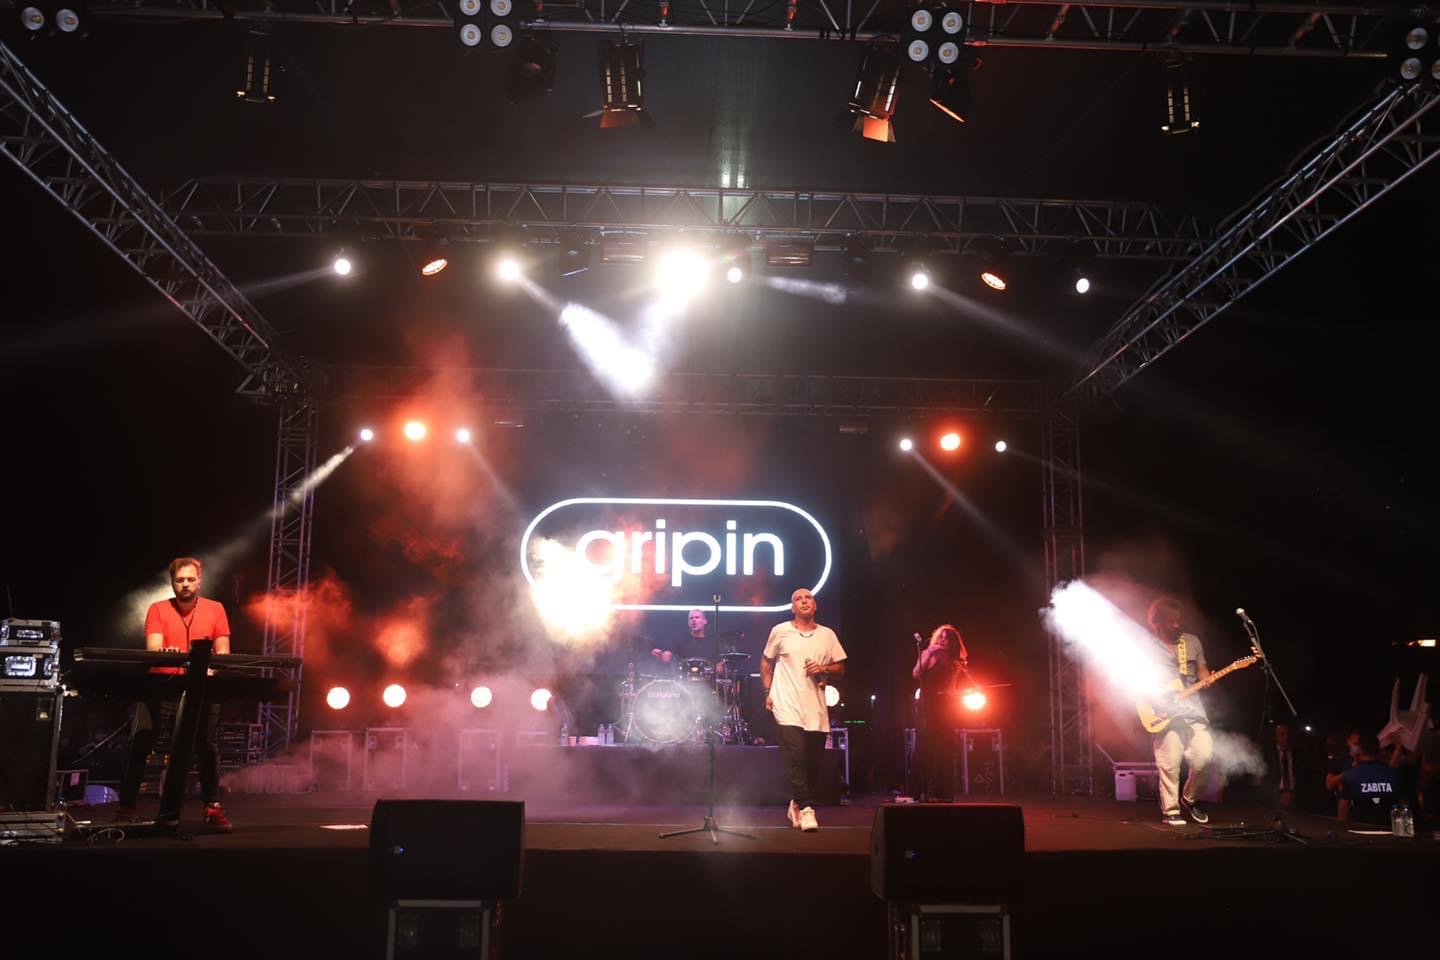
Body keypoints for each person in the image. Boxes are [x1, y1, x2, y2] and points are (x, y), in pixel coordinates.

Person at [117, 557, 234, 831]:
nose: (185, 585)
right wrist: (166, 655)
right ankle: (126, 808)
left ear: (199, 581)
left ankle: (212, 806)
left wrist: (212, 668)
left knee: (207, 746)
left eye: (190, 579)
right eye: (180, 580)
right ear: (172, 583)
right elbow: (154, 648)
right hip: (161, 684)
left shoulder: (216, 609)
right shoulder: (158, 608)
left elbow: (224, 651)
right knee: (141, 741)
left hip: (201, 687)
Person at [761, 587, 846, 832]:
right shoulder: (780, 631)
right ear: (793, 608)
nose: (804, 601)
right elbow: (766, 661)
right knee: (796, 755)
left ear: (815, 605)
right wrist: (768, 692)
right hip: (786, 701)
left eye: (808, 597)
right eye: (798, 599)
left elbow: (841, 668)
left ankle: (796, 804)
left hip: (815, 706)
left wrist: (823, 668)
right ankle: (808, 809)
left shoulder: (827, 635)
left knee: (813, 761)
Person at [1145, 597, 1214, 826]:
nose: (1176, 625)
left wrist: (1208, 679)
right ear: (1157, 622)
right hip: (1163, 711)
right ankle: (1170, 810)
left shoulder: (1192, 642)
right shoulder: (1146, 646)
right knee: (1170, 764)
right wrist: (1154, 701)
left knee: (1204, 756)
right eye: (1170, 621)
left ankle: (1190, 798)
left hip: (1194, 710)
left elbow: (1202, 669)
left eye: (1178, 619)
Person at [911, 625, 969, 801]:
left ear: (953, 642)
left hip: (945, 705)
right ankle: (920, 790)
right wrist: (929, 651)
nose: (943, 640)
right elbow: (916, 673)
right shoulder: (931, 654)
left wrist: (959, 693)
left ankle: (941, 792)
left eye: (946, 638)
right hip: (928, 704)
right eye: (941, 637)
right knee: (925, 747)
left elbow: (951, 686)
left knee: (944, 748)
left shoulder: (955, 662)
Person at [1332, 730, 1403, 826]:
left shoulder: (1349, 776)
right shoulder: (1393, 773)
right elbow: (1402, 805)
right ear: (1378, 750)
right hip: (1389, 829)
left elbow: (1343, 809)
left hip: (1358, 830)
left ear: (1360, 749)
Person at [1266, 721, 1312, 811]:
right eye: (1282, 734)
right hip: (1274, 798)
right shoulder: (1269, 754)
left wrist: (1294, 793)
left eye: (1287, 734)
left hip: (1296, 798)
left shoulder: (1299, 754)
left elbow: (1305, 776)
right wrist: (1277, 794)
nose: (1286, 737)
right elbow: (1265, 777)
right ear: (1276, 737)